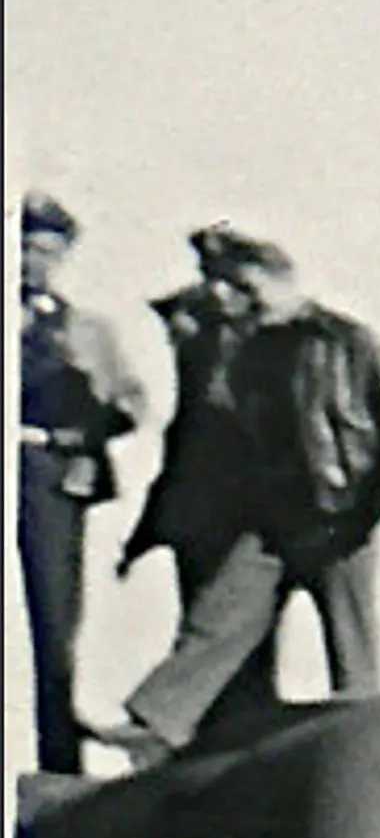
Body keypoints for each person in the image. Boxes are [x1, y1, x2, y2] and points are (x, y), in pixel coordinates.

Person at [107, 229, 380, 761]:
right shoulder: (247, 351)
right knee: (221, 616)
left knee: (351, 644)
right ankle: (156, 723)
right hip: (274, 515)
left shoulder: (347, 341)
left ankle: (365, 745)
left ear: (283, 281)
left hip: (341, 517)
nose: (242, 301)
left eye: (250, 289)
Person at [111, 227, 282, 742]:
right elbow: (183, 440)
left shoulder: (265, 342)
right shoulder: (205, 344)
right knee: (232, 645)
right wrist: (149, 529)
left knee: (222, 624)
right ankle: (218, 752)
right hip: (204, 515)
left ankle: (159, 723)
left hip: (257, 509)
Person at [15, 192, 151, 774]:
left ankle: (59, 764)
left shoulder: (86, 329)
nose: (31, 262)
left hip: (48, 474)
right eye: (22, 247)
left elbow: (132, 402)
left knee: (54, 620)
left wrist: (81, 427)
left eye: (47, 251)